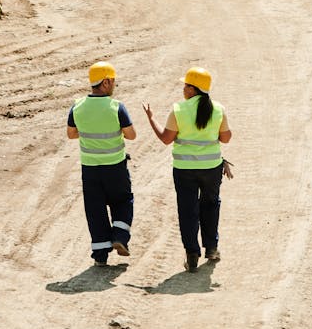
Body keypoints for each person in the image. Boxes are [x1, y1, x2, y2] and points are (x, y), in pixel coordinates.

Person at [143, 66, 232, 272]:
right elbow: (226, 138)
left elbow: (166, 139)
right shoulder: (218, 109)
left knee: (187, 210)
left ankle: (192, 253)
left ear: (192, 89)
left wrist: (151, 118)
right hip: (211, 168)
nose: (183, 89)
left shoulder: (179, 110)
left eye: (185, 86)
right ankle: (211, 247)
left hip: (184, 169)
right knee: (210, 205)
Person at [67, 61, 136, 267]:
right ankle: (120, 236)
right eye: (113, 81)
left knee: (95, 210)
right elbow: (131, 135)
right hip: (115, 167)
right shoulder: (116, 107)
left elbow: (71, 134)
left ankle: (100, 256)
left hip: (90, 169)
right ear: (105, 82)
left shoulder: (77, 106)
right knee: (123, 201)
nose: (114, 85)